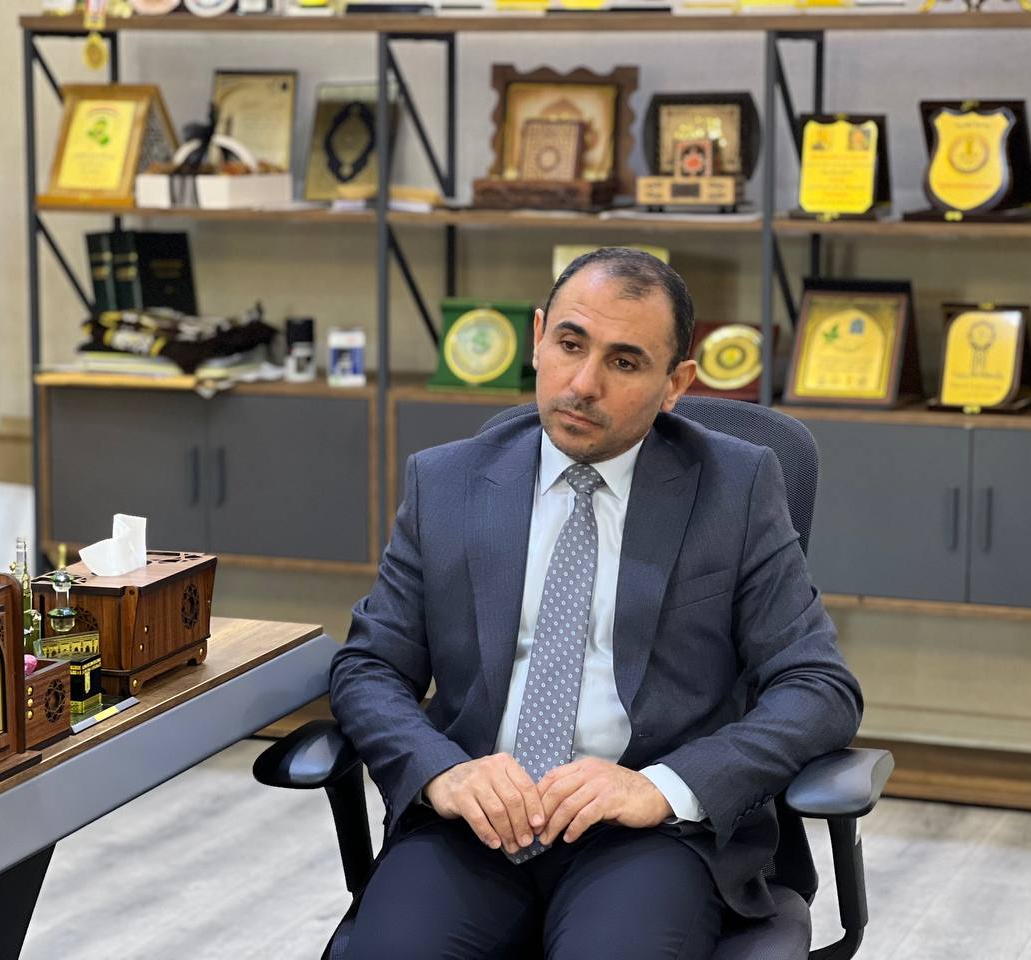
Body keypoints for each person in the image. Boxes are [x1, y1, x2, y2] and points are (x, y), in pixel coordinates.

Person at [329, 247, 863, 960]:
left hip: (648, 836)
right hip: (475, 822)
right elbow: (368, 667)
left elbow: (819, 688)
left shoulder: (734, 489)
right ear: (538, 337)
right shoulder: (447, 483)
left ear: (675, 385)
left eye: (624, 362)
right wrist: (441, 771)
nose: (582, 384)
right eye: (570, 345)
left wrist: (666, 787)